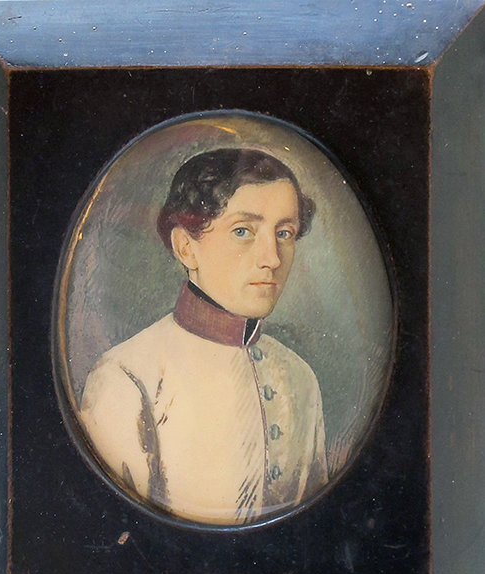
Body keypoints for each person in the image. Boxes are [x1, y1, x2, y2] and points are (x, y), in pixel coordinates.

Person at [80, 148, 328, 526]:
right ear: (186, 247)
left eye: (284, 233)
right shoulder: (126, 379)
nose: (273, 258)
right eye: (243, 231)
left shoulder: (300, 378)